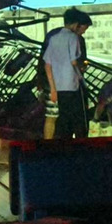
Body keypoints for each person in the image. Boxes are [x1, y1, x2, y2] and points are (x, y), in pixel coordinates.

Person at [35, 8, 89, 139]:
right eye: (84, 29)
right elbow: (76, 62)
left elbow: (44, 61)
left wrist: (41, 80)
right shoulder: (75, 38)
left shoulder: (52, 36)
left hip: (51, 83)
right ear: (76, 25)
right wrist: (81, 70)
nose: (83, 32)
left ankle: (49, 145)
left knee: (51, 117)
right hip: (69, 85)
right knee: (72, 118)